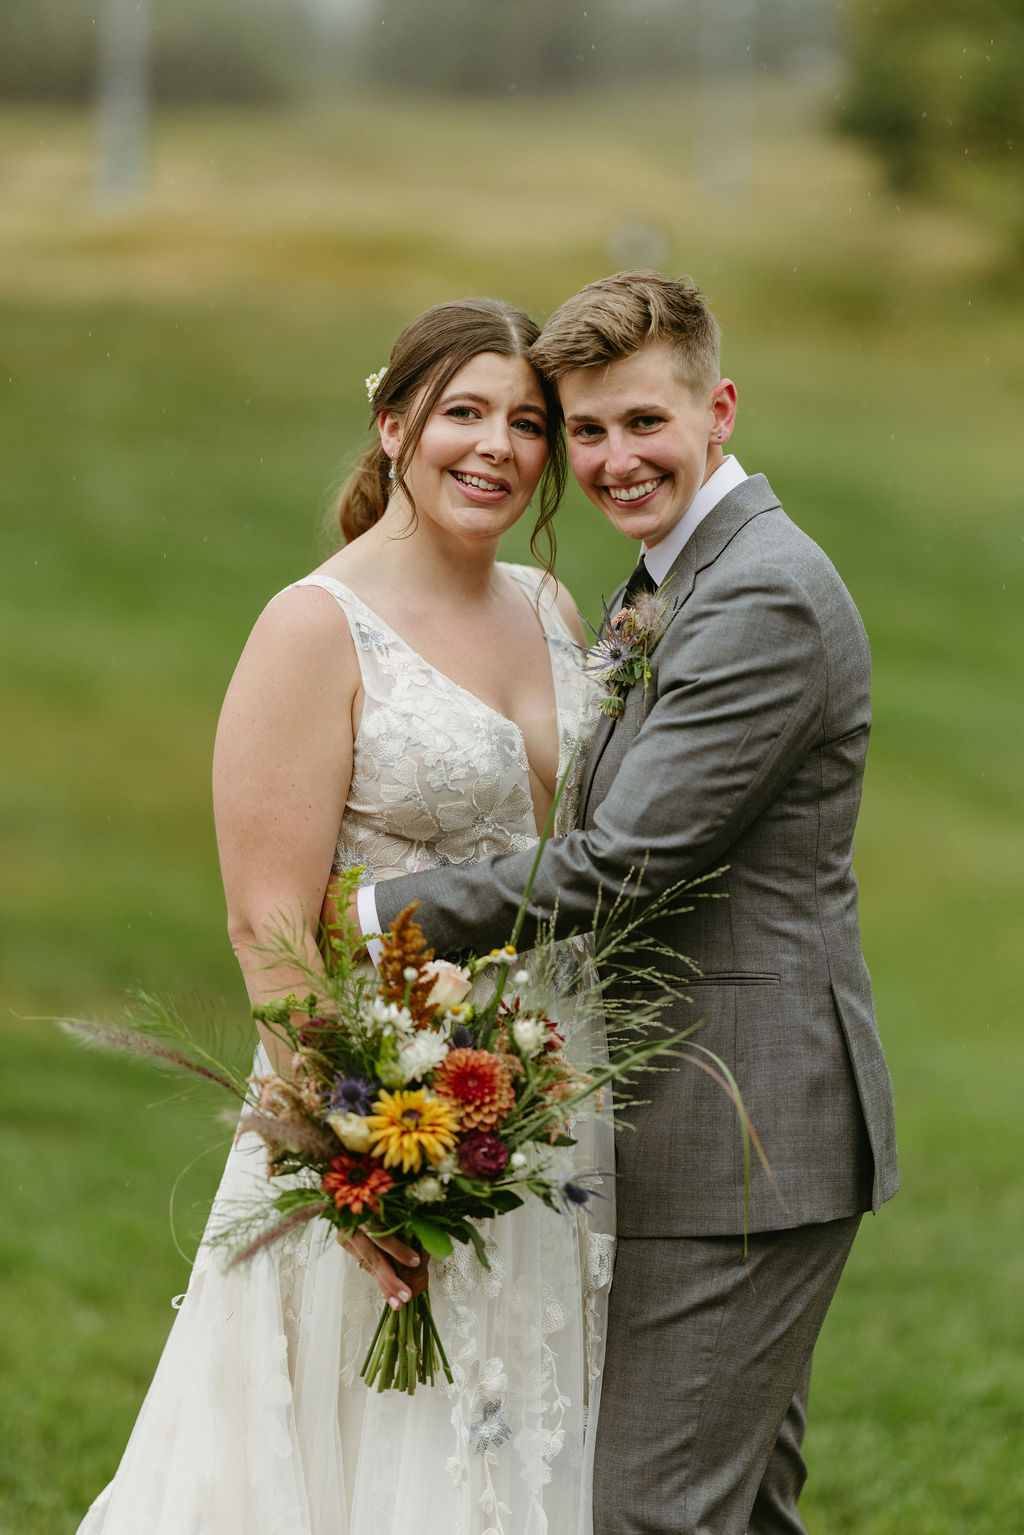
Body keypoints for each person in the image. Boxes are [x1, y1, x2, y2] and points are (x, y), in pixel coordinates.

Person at [359, 271, 900, 1535]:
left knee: (650, 1512)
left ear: (716, 409)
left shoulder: (758, 592)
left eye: (643, 423)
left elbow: (622, 861)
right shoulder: (673, 576)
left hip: (742, 1132)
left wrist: (393, 908)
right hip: (701, 1120)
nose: (612, 459)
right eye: (585, 429)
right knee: (738, 1506)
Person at [76, 297, 613, 1535]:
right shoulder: (312, 627)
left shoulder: (550, 607)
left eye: (525, 421)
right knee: (382, 1451)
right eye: (461, 412)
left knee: (530, 1424)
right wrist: (350, 1156)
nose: (496, 446)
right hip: (388, 1102)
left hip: (549, 1098)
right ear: (390, 426)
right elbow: (268, 922)